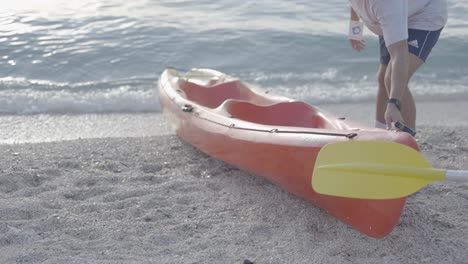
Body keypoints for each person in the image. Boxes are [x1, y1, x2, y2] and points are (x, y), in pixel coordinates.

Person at [347, 0, 448, 131]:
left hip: (423, 16)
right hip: (391, 16)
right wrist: (355, 31)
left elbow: (399, 53)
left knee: (390, 79)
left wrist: (393, 103)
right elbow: (354, 4)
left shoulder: (387, 5)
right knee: (382, 78)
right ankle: (380, 133)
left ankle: (408, 142)